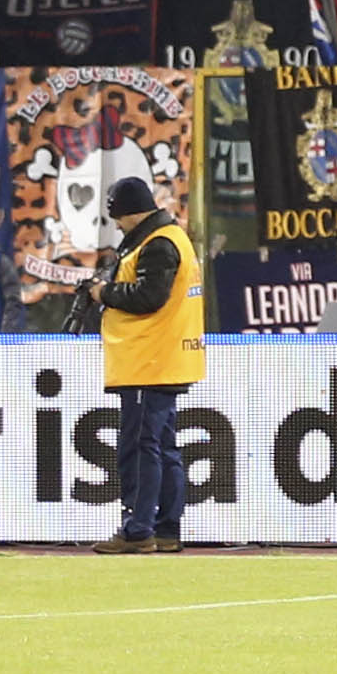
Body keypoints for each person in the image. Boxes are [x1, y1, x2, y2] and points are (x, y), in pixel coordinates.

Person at [83, 176, 202, 553]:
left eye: (118, 217)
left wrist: (105, 293)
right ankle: (166, 529)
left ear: (132, 213)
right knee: (163, 446)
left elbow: (150, 296)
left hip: (148, 358)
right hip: (163, 357)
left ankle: (137, 530)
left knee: (139, 446)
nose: (116, 225)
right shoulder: (169, 237)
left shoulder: (157, 244)